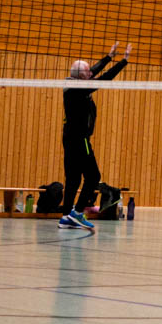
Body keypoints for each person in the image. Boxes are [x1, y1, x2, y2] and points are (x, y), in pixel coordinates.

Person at [59, 41, 131, 231]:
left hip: (70, 138)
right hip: (79, 139)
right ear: (81, 76)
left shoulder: (74, 82)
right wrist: (123, 62)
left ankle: (66, 217)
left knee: (73, 178)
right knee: (93, 177)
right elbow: (104, 78)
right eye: (87, 72)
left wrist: (109, 57)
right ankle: (77, 212)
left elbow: (93, 71)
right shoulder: (78, 89)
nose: (90, 73)